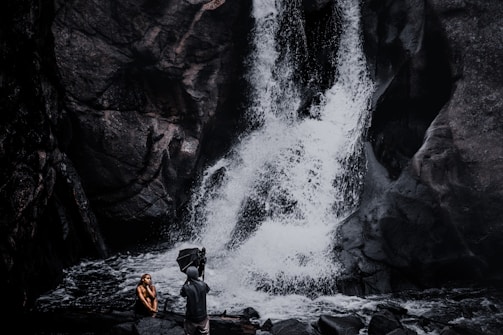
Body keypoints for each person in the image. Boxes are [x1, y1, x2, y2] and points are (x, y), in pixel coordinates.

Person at [180, 266, 210, 335]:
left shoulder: (186, 287)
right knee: (205, 333)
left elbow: (182, 294)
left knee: (189, 333)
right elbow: (207, 290)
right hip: (203, 316)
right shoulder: (203, 285)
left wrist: (186, 281)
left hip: (191, 317)